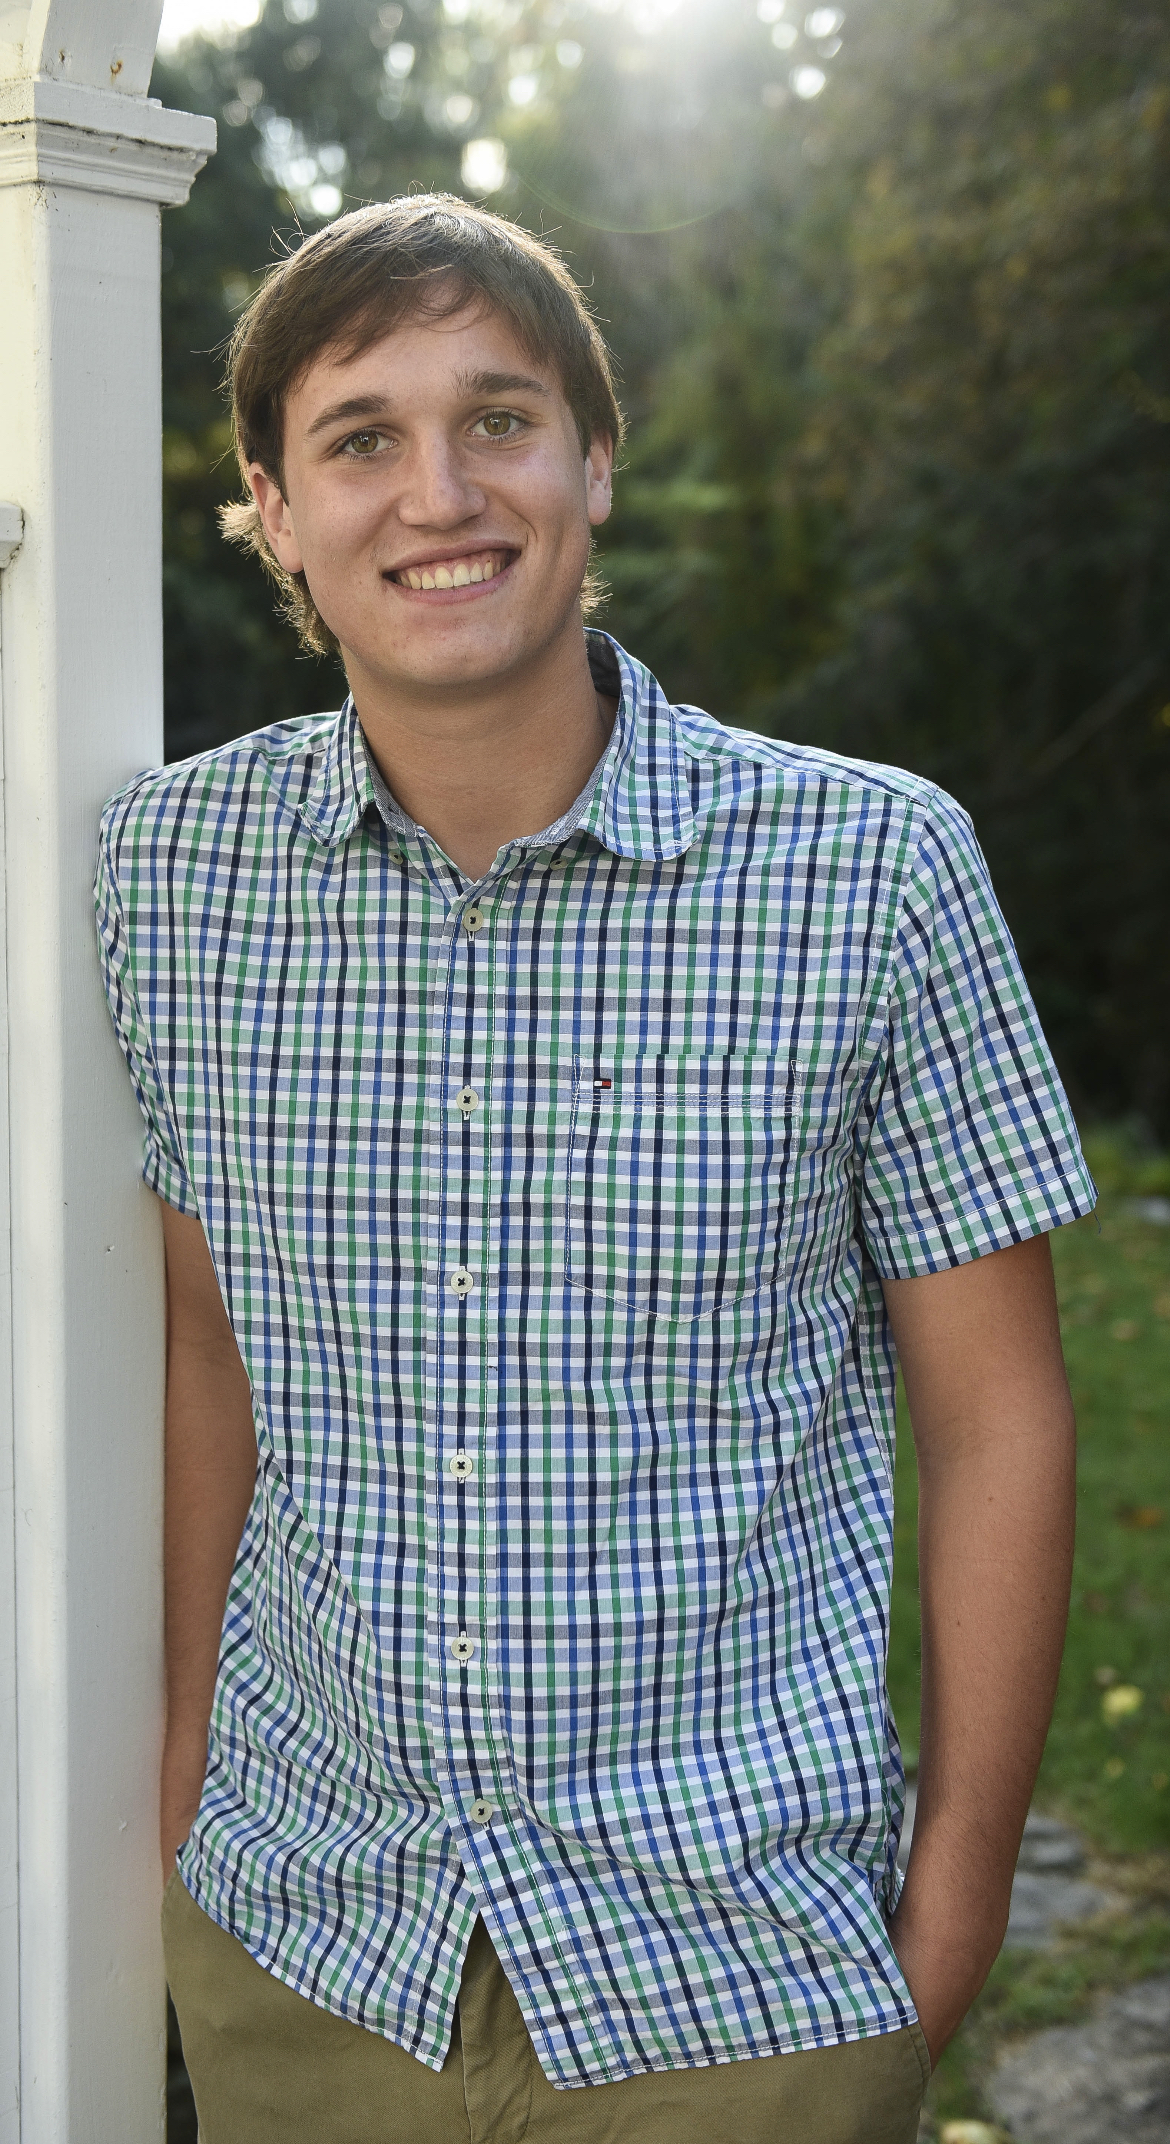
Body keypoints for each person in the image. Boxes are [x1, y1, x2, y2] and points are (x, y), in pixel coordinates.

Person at [96, 195, 1095, 2144]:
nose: (438, 492)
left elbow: (1000, 1416)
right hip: (308, 1952)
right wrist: (191, 1766)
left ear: (594, 461)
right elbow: (213, 1351)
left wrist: (958, 1903)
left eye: (500, 418)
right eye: (360, 438)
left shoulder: (873, 872)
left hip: (741, 1984)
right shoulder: (171, 876)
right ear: (274, 512)